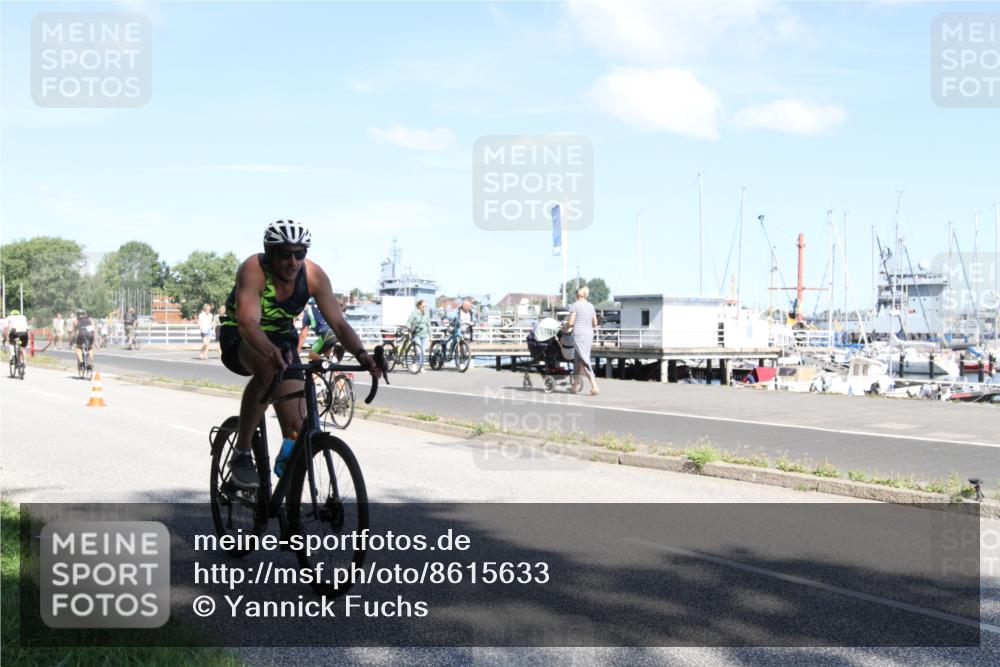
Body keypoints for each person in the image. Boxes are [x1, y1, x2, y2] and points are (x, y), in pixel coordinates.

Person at [217, 220, 380, 490]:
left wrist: (363, 355)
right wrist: (269, 351)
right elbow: (248, 323)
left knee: (296, 427)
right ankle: (242, 454)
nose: (293, 261)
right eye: (285, 253)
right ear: (270, 252)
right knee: (268, 369)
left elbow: (339, 325)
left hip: (281, 338)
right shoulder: (254, 269)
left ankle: (286, 495)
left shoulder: (314, 275)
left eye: (300, 253)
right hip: (241, 334)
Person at [565, 285, 599, 395]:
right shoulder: (591, 306)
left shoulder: (575, 306)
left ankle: (594, 387)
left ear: (578, 294)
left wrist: (565, 328)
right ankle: (574, 386)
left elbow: (570, 322)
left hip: (579, 335)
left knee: (584, 360)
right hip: (589, 335)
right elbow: (595, 323)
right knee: (578, 360)